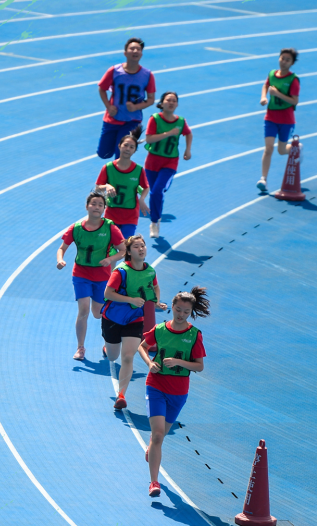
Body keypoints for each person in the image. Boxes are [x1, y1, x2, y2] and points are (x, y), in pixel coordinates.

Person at [138, 286, 210, 497]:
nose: (181, 314)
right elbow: (142, 346)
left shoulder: (194, 335)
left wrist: (179, 362)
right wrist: (149, 363)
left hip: (178, 392)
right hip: (156, 385)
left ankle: (152, 447)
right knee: (158, 435)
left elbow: (199, 366)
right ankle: (154, 482)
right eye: (178, 309)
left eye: (186, 312)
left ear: (191, 312)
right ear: (172, 307)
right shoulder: (160, 330)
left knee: (160, 436)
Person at [57, 191, 126, 360]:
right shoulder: (76, 228)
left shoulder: (110, 228)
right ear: (87, 206)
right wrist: (60, 260)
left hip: (102, 276)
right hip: (81, 274)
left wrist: (110, 259)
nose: (96, 207)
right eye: (93, 203)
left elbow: (123, 250)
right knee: (83, 310)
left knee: (98, 313)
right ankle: (80, 348)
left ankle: (110, 339)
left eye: (100, 205)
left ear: (104, 208)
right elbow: (62, 248)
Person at [101, 235, 167, 410]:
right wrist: (131, 299)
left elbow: (155, 287)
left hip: (135, 318)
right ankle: (107, 346)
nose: (141, 249)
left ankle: (121, 395)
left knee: (128, 356)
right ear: (129, 252)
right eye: (136, 247)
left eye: (142, 246)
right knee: (113, 356)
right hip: (113, 318)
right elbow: (108, 294)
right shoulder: (121, 272)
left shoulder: (150, 271)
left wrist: (156, 302)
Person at [97, 38, 157, 160]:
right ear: (125, 53)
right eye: (132, 48)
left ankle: (118, 172)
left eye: (138, 49)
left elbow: (151, 99)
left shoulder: (147, 75)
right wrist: (109, 106)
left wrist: (136, 107)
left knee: (121, 155)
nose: (135, 51)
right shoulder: (114, 71)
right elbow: (102, 88)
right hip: (113, 118)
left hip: (132, 121)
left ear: (141, 54)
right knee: (104, 153)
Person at [144, 92, 192, 237]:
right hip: (152, 162)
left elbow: (188, 133)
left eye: (174, 101)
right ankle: (156, 218)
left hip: (170, 162)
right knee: (155, 192)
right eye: (168, 100)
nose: (171, 103)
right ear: (162, 103)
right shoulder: (155, 119)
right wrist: (169, 133)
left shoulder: (181, 121)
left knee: (157, 191)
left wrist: (188, 150)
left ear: (177, 104)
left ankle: (154, 222)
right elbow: (149, 139)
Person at [257, 48, 300, 192]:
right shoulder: (272, 74)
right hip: (271, 117)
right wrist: (264, 97)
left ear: (292, 63)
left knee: (281, 150)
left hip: (286, 120)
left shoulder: (293, 80)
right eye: (282, 58)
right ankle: (263, 179)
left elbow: (294, 101)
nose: (284, 62)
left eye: (288, 60)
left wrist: (277, 94)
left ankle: (296, 148)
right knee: (268, 148)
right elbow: (266, 85)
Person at [96, 126, 150, 239]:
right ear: (119, 146)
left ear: (135, 150)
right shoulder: (108, 168)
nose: (128, 149)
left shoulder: (138, 170)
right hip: (111, 214)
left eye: (131, 147)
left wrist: (142, 199)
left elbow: (146, 187)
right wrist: (107, 186)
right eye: (125, 145)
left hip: (130, 216)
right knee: (109, 245)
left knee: (126, 245)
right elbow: (97, 188)